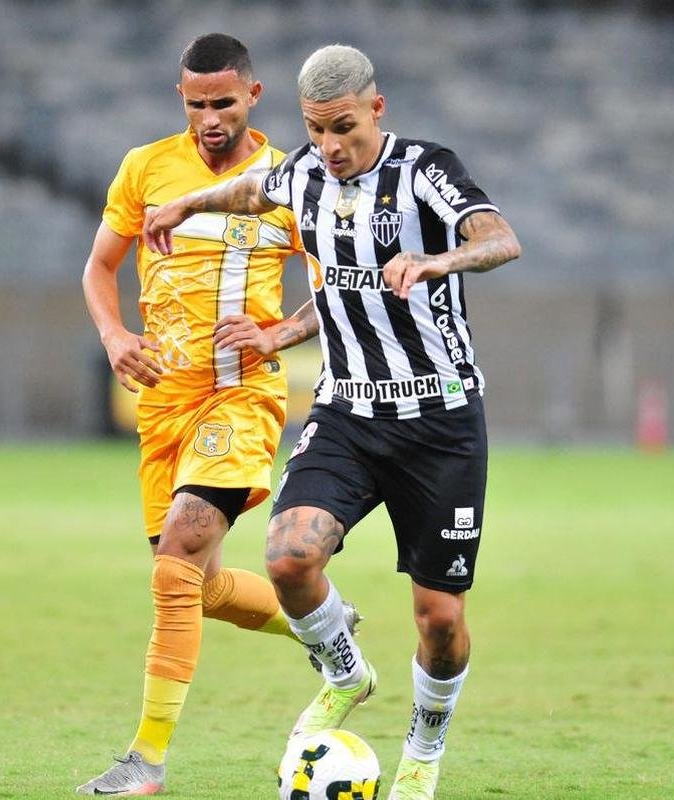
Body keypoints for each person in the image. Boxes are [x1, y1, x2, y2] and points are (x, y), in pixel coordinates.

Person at [144, 44, 521, 800]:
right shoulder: (307, 174)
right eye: (315, 130)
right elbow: (258, 192)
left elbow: (499, 238)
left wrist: (437, 262)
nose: (328, 147)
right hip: (348, 412)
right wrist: (188, 204)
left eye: (342, 128)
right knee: (286, 557)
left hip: (439, 420)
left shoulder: (423, 170)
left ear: (374, 110)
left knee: (439, 618)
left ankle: (424, 748)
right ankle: (346, 673)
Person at [75, 34, 357, 796]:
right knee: (191, 586)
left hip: (241, 394)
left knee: (180, 549)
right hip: (162, 404)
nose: (207, 117)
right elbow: (99, 267)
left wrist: (273, 334)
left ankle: (146, 760)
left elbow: (337, 288)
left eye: (222, 102)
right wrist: (113, 335)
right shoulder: (144, 169)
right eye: (196, 103)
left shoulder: (290, 181)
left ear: (254, 98)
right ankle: (331, 632)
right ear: (182, 99)